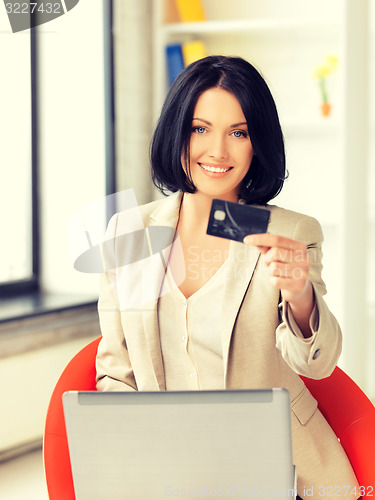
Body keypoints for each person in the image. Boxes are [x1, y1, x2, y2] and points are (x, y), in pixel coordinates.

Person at [95, 56, 359, 499]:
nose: (218, 151)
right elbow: (116, 371)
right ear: (177, 133)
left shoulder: (288, 232)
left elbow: (318, 363)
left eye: (238, 133)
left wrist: (300, 295)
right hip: (168, 471)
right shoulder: (131, 233)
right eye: (201, 129)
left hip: (276, 473)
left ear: (258, 144)